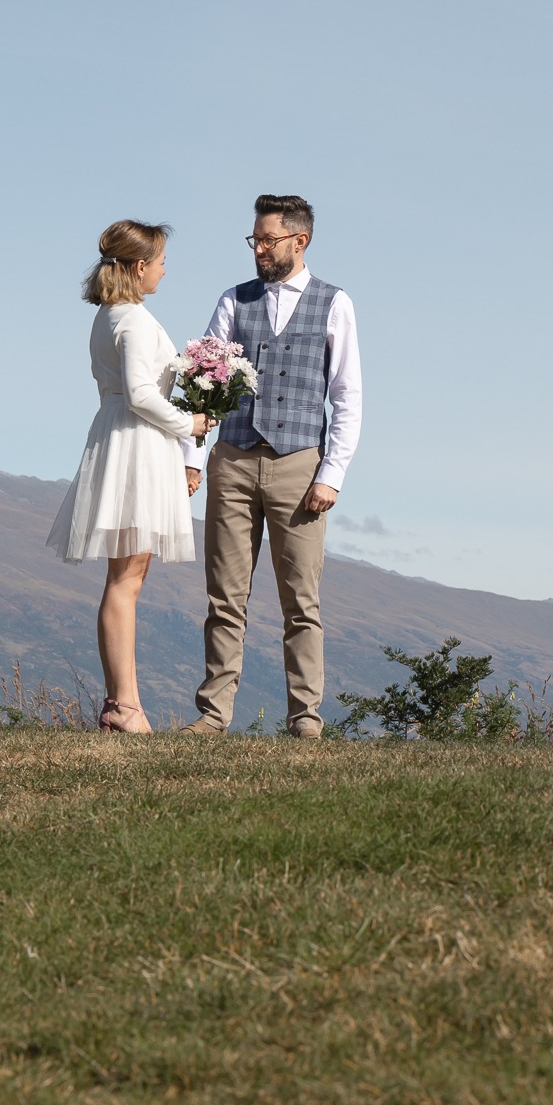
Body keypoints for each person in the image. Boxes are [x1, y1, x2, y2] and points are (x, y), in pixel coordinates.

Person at [179, 194, 362, 738]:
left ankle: (304, 717)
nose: (258, 249)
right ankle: (213, 715)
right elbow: (201, 383)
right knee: (223, 596)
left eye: (268, 240)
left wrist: (331, 475)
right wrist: (193, 460)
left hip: (299, 466)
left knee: (301, 600)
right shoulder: (233, 301)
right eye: (254, 240)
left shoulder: (335, 303)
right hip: (231, 460)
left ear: (298, 241)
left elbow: (348, 396)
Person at [45, 220, 210, 732]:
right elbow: (141, 394)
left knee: (127, 578)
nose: (165, 270)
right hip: (136, 443)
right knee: (126, 579)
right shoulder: (133, 320)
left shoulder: (109, 315)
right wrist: (191, 423)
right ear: (140, 267)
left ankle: (125, 702)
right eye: (160, 261)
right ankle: (124, 706)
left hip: (122, 437)